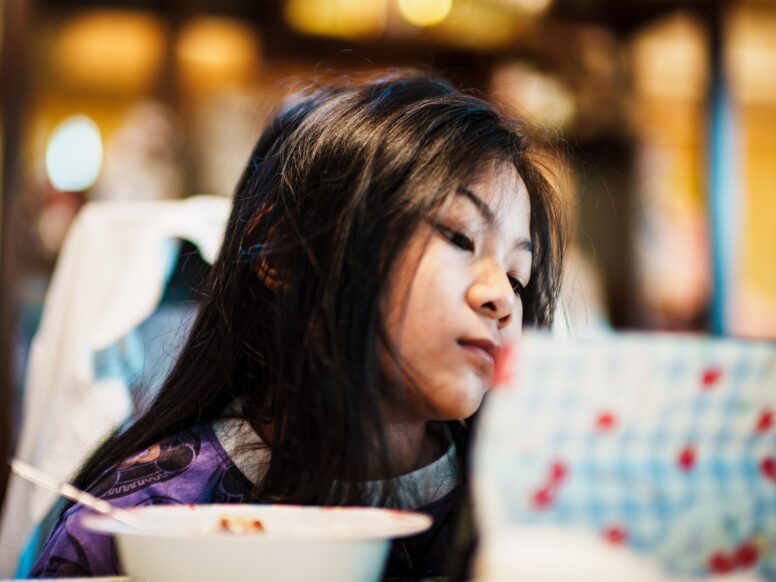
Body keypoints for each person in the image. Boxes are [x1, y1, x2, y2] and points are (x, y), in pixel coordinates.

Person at [30, 69, 567, 579]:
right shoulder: (142, 524)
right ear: (284, 253)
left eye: (517, 276)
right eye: (458, 238)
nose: (502, 297)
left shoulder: (537, 512)